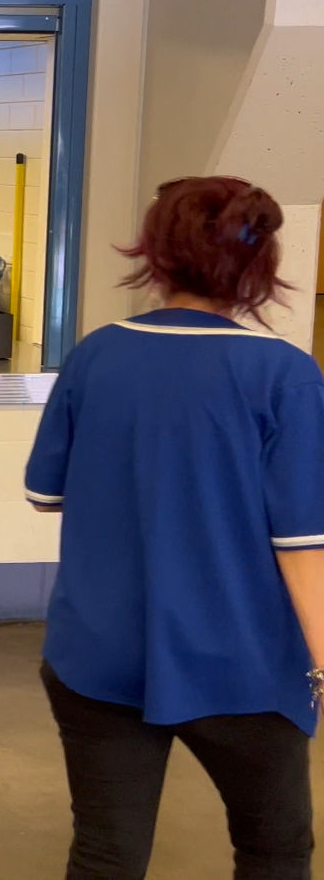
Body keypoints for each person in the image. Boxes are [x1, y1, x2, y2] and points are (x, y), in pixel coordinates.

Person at [26, 175, 324, 880]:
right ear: (261, 263)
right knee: (274, 848)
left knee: (106, 852)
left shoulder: (95, 354)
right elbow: (303, 545)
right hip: (243, 664)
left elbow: (46, 492)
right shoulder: (284, 374)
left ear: (156, 254)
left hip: (97, 652)